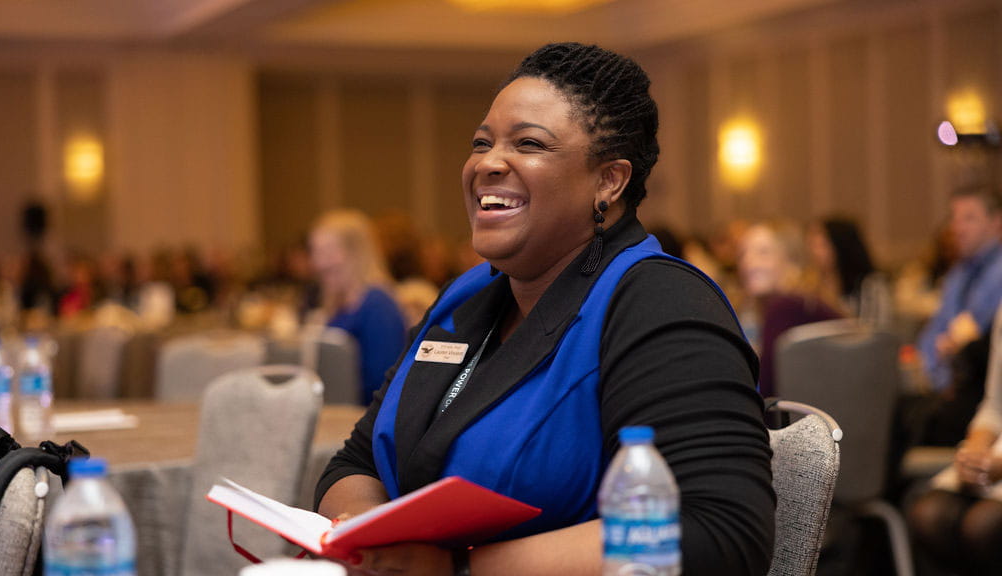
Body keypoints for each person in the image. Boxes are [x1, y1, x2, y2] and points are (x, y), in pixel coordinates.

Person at [314, 43, 774, 576]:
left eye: (528, 143)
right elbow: (359, 459)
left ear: (609, 181)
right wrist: (369, 540)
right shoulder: (466, 295)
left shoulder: (661, 303)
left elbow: (719, 534)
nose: (487, 163)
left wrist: (460, 569)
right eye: (480, 143)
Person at [907, 306, 1002, 575]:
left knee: (983, 525)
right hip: (996, 454)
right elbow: (995, 406)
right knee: (929, 513)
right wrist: (975, 449)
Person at [308, 209, 408, 405]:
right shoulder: (341, 303)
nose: (319, 263)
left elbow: (382, 384)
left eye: (328, 252)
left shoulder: (378, 306)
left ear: (356, 252)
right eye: (315, 252)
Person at [738, 220, 842, 397]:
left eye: (763, 253)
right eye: (742, 254)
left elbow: (764, 392)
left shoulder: (785, 307)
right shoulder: (810, 300)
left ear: (792, 259)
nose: (748, 262)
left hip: (802, 420)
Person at [918, 184, 1002, 392]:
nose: (958, 228)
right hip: (948, 383)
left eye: (969, 218)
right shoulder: (958, 274)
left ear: (996, 223)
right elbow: (935, 331)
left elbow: (980, 343)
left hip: (982, 385)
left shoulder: (998, 272)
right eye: (955, 218)